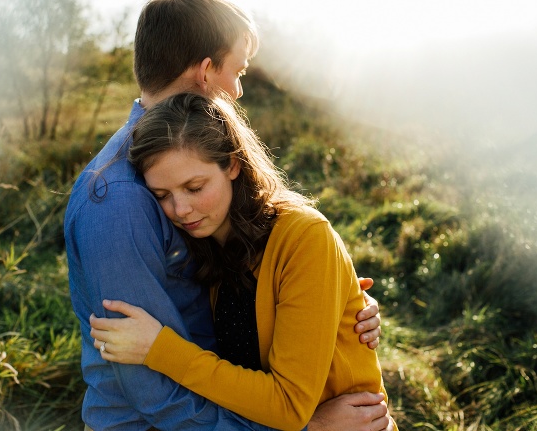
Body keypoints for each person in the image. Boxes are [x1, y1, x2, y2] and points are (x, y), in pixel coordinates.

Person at [64, 0, 389, 430]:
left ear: (231, 166)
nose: (238, 91)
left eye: (195, 187)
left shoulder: (220, 220)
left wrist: (337, 305)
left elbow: (274, 286)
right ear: (204, 73)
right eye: (237, 72)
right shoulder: (119, 197)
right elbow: (152, 394)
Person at [88, 93, 396, 431]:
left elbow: (289, 406)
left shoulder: (304, 237)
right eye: (162, 195)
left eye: (194, 187)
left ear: (233, 164)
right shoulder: (204, 247)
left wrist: (161, 349)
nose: (180, 209)